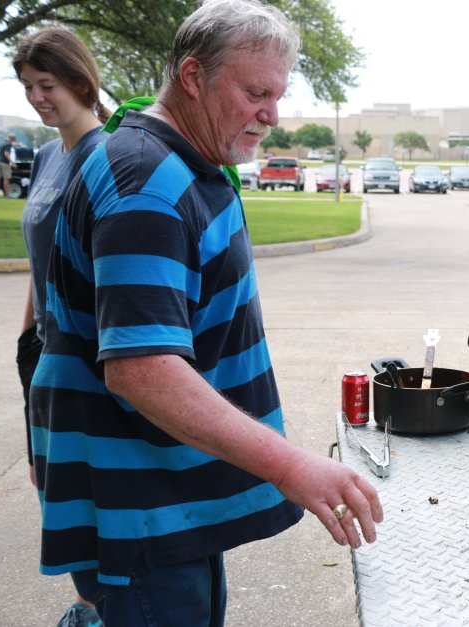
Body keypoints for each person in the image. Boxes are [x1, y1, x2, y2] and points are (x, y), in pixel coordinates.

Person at [29, 0, 383, 625]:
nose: (270, 115)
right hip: (140, 509)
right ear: (193, 77)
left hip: (170, 492)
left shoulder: (180, 161)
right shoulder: (147, 185)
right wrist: (291, 464)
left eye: (277, 95)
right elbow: (142, 370)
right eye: (254, 92)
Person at [13, 27, 111, 627]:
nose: (37, 98)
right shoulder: (49, 156)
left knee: (87, 493)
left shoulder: (107, 156)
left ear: (79, 79)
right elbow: (38, 253)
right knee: (46, 482)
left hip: (90, 357)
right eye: (27, 87)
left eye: (46, 85)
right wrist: (26, 343)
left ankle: (95, 606)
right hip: (44, 351)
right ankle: (90, 601)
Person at [0, 132, 16, 197]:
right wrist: (12, 162)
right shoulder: (8, 144)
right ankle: (7, 195)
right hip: (5, 163)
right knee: (6, 178)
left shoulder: (2, 143)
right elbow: (6, 153)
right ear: (12, 139)